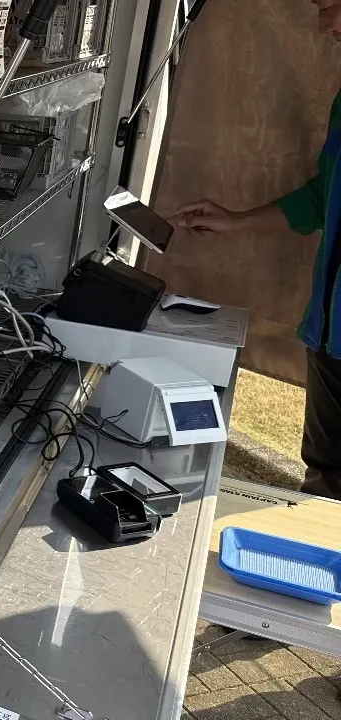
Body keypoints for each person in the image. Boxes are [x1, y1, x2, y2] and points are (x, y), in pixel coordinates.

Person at [171, 0, 341, 499]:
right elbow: (322, 199)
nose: (324, 23)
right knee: (324, 477)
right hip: (328, 333)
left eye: (332, 6)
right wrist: (236, 220)